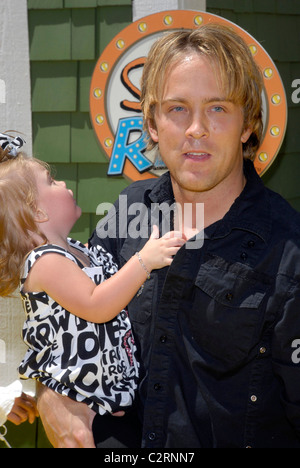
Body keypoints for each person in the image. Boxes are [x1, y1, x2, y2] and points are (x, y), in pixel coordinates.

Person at [37, 23, 300, 448]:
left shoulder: (289, 254)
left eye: (217, 108)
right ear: (153, 124)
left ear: (248, 123)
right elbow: (71, 323)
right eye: (177, 109)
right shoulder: (128, 212)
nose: (196, 128)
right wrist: (49, 393)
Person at [0, 133, 185, 448]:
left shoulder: (75, 250)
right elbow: (97, 303)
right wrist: (145, 260)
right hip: (88, 412)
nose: (61, 184)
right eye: (51, 181)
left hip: (112, 403)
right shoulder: (45, 263)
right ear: (37, 213)